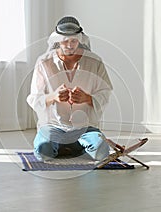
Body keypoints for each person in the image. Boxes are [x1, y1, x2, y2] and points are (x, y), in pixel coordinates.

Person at [27, 16, 113, 161]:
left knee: (101, 152)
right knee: (43, 152)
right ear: (57, 41)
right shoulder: (44, 62)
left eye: (73, 41)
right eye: (65, 41)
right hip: (52, 126)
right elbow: (34, 98)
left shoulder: (95, 62)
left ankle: (72, 146)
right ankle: (66, 146)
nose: (69, 45)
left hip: (85, 127)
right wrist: (53, 96)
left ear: (80, 39)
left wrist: (88, 98)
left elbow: (105, 92)